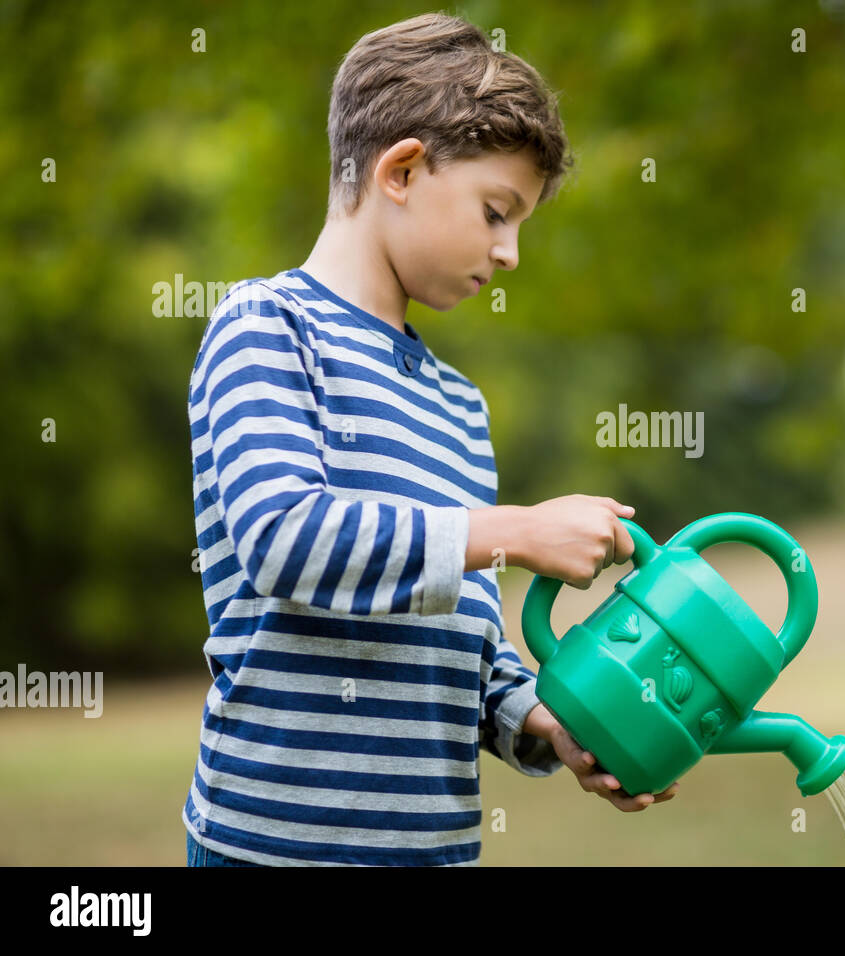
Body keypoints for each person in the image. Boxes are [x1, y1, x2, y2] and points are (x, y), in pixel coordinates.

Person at [183, 12, 677, 867]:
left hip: (435, 852)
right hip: (272, 850)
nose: (511, 251)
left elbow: (465, 638)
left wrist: (541, 722)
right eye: (497, 212)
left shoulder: (458, 404)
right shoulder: (266, 325)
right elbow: (284, 539)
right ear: (402, 170)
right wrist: (517, 531)